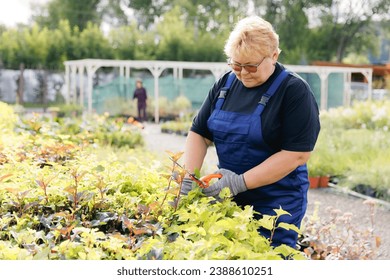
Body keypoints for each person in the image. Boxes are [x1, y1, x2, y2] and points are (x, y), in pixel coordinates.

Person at [181, 15, 320, 249]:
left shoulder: (294, 91)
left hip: (277, 203)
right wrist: (188, 179)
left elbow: (296, 154)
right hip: (228, 198)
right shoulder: (225, 85)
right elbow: (199, 133)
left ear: (274, 56)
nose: (243, 73)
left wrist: (239, 182)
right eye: (236, 65)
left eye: (251, 66)